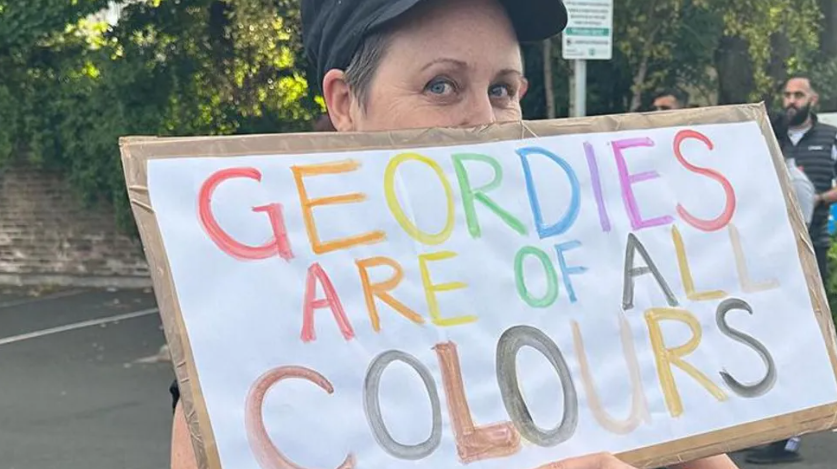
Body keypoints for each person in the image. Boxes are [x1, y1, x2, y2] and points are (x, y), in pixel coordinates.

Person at [170, 1, 741, 468]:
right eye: (442, 86)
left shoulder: (581, 285)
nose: (486, 121)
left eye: (502, 89)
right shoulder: (254, 332)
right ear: (345, 102)